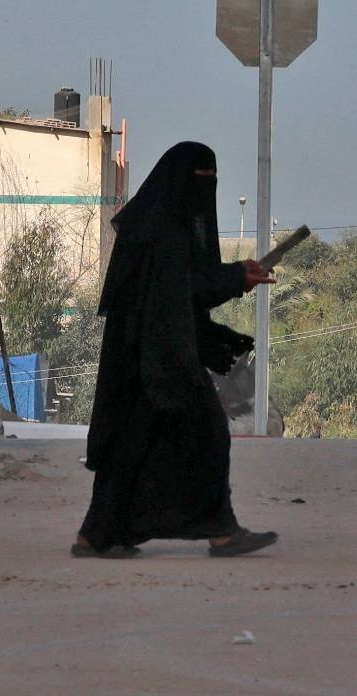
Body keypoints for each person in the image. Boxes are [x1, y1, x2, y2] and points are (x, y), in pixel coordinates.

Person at [74, 141, 279, 559]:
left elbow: (190, 283)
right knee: (208, 432)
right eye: (202, 179)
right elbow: (186, 289)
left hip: (148, 355)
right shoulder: (163, 231)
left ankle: (97, 535)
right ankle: (221, 531)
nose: (207, 189)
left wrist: (238, 275)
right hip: (159, 358)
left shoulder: (161, 223)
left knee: (131, 446)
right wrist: (236, 278)